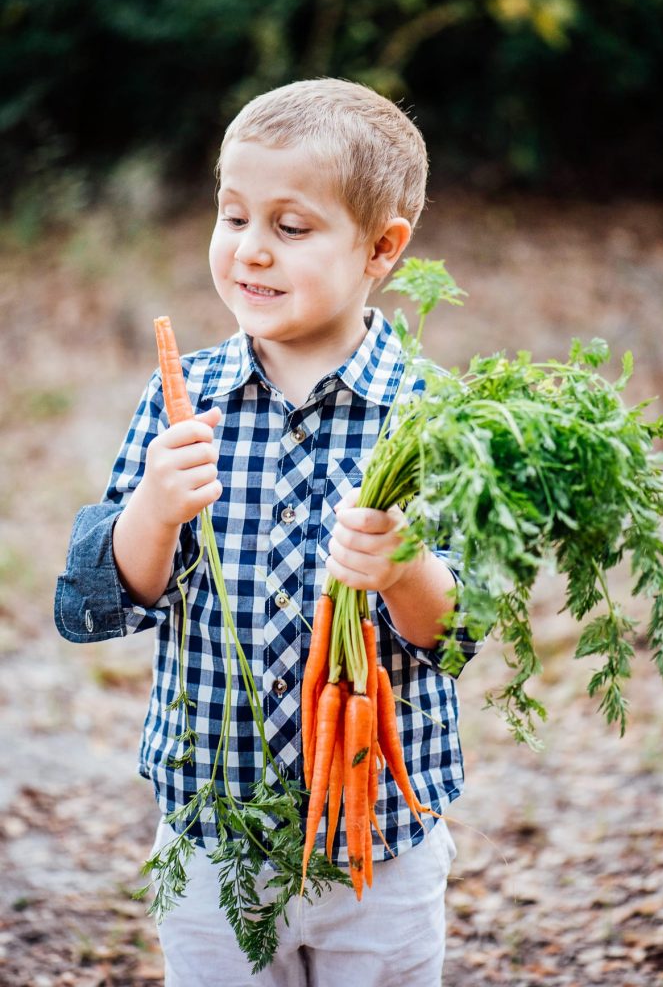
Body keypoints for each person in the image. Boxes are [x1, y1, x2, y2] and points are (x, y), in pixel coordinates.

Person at [55, 77, 482, 987]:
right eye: (233, 216)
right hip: (210, 836)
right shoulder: (182, 402)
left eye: (290, 228)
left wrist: (404, 566)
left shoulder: (432, 417)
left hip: (380, 842)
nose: (250, 250)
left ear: (381, 248)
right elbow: (99, 606)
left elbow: (461, 632)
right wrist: (152, 514)